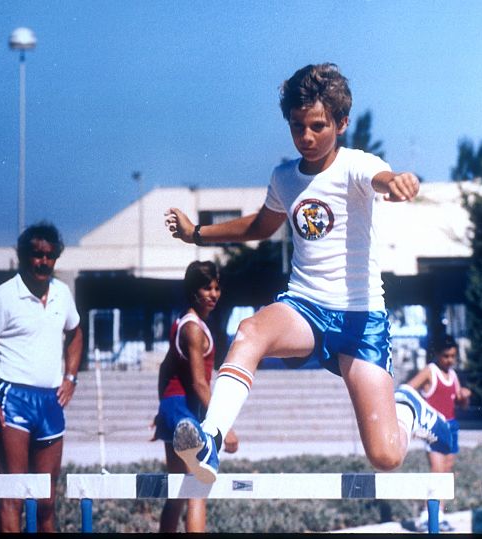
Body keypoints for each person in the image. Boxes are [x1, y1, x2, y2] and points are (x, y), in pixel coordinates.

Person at [163, 63, 452, 484]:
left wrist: (399, 181)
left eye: (318, 126)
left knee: (386, 456)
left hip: (360, 319)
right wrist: (198, 235)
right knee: (249, 331)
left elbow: (382, 180)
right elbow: (261, 226)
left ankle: (410, 408)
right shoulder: (285, 178)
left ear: (341, 122)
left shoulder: (356, 165)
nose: (307, 138)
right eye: (297, 127)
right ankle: (210, 439)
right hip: (304, 307)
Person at [0, 222, 83, 532]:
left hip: (50, 401)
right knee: (14, 496)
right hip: (14, 399)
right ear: (23, 257)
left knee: (46, 499)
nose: (43, 262)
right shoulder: (5, 296)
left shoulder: (62, 293)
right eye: (36, 255)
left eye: (49, 256)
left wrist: (71, 378)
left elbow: (76, 334)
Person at [154, 261, 239, 532]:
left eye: (217, 287)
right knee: (198, 490)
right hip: (185, 411)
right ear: (193, 291)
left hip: (173, 407)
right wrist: (226, 426)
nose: (214, 294)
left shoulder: (182, 322)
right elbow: (200, 383)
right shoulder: (194, 329)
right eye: (206, 288)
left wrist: (161, 410)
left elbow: (164, 368)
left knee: (178, 491)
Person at [404, 334, 470, 532]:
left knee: (447, 474)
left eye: (453, 356)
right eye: (446, 356)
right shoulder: (429, 371)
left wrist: (464, 397)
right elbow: (407, 390)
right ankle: (427, 515)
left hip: (451, 427)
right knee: (436, 471)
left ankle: (439, 514)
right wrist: (417, 418)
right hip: (433, 428)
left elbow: (460, 405)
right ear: (437, 355)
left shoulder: (454, 375)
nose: (450, 360)